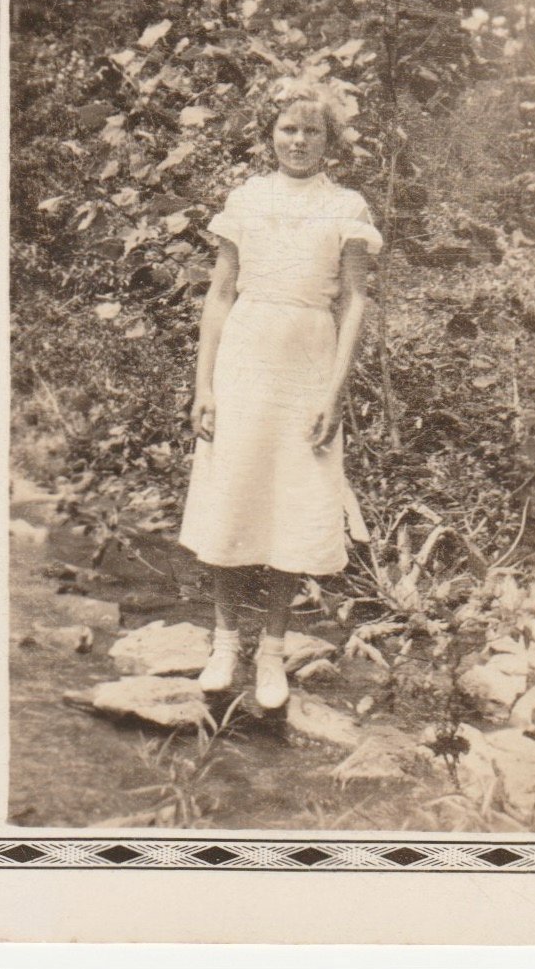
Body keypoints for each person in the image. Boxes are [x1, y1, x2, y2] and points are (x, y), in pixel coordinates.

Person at [178, 77, 383, 709]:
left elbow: (354, 301)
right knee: (233, 494)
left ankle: (271, 651)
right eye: (287, 129)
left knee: (293, 501)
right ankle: (224, 644)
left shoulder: (346, 205)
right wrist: (203, 385)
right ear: (269, 135)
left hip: (307, 362)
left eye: (311, 131)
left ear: (329, 140)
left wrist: (335, 392)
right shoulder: (246, 198)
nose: (298, 141)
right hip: (244, 357)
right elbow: (220, 294)